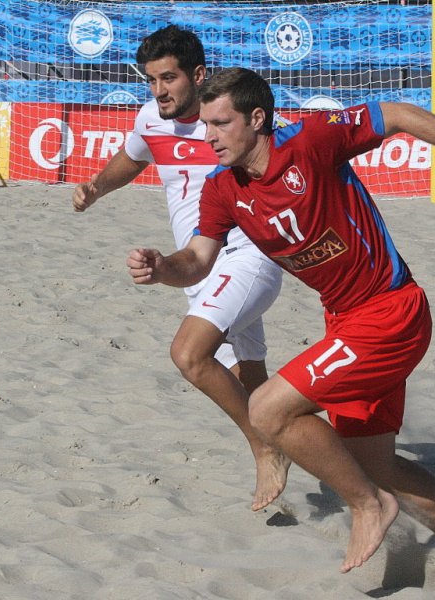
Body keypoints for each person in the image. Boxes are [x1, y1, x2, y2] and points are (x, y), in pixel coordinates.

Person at [126, 67, 435, 574]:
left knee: (268, 412)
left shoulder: (311, 140)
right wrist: (164, 268)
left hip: (391, 312)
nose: (208, 136)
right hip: (346, 324)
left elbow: (398, 113)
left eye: (220, 123)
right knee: (372, 463)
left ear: (256, 119)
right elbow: (199, 260)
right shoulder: (222, 188)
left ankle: (368, 506)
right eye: (205, 124)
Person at [73, 27, 289, 511]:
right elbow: (132, 159)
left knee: (190, 355)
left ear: (198, 74)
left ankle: (264, 446)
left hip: (247, 255)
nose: (159, 91)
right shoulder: (152, 119)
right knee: (249, 373)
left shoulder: (231, 119)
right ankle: (311, 444)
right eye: (151, 80)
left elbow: (294, 159)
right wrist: (95, 188)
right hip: (197, 266)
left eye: (168, 78)